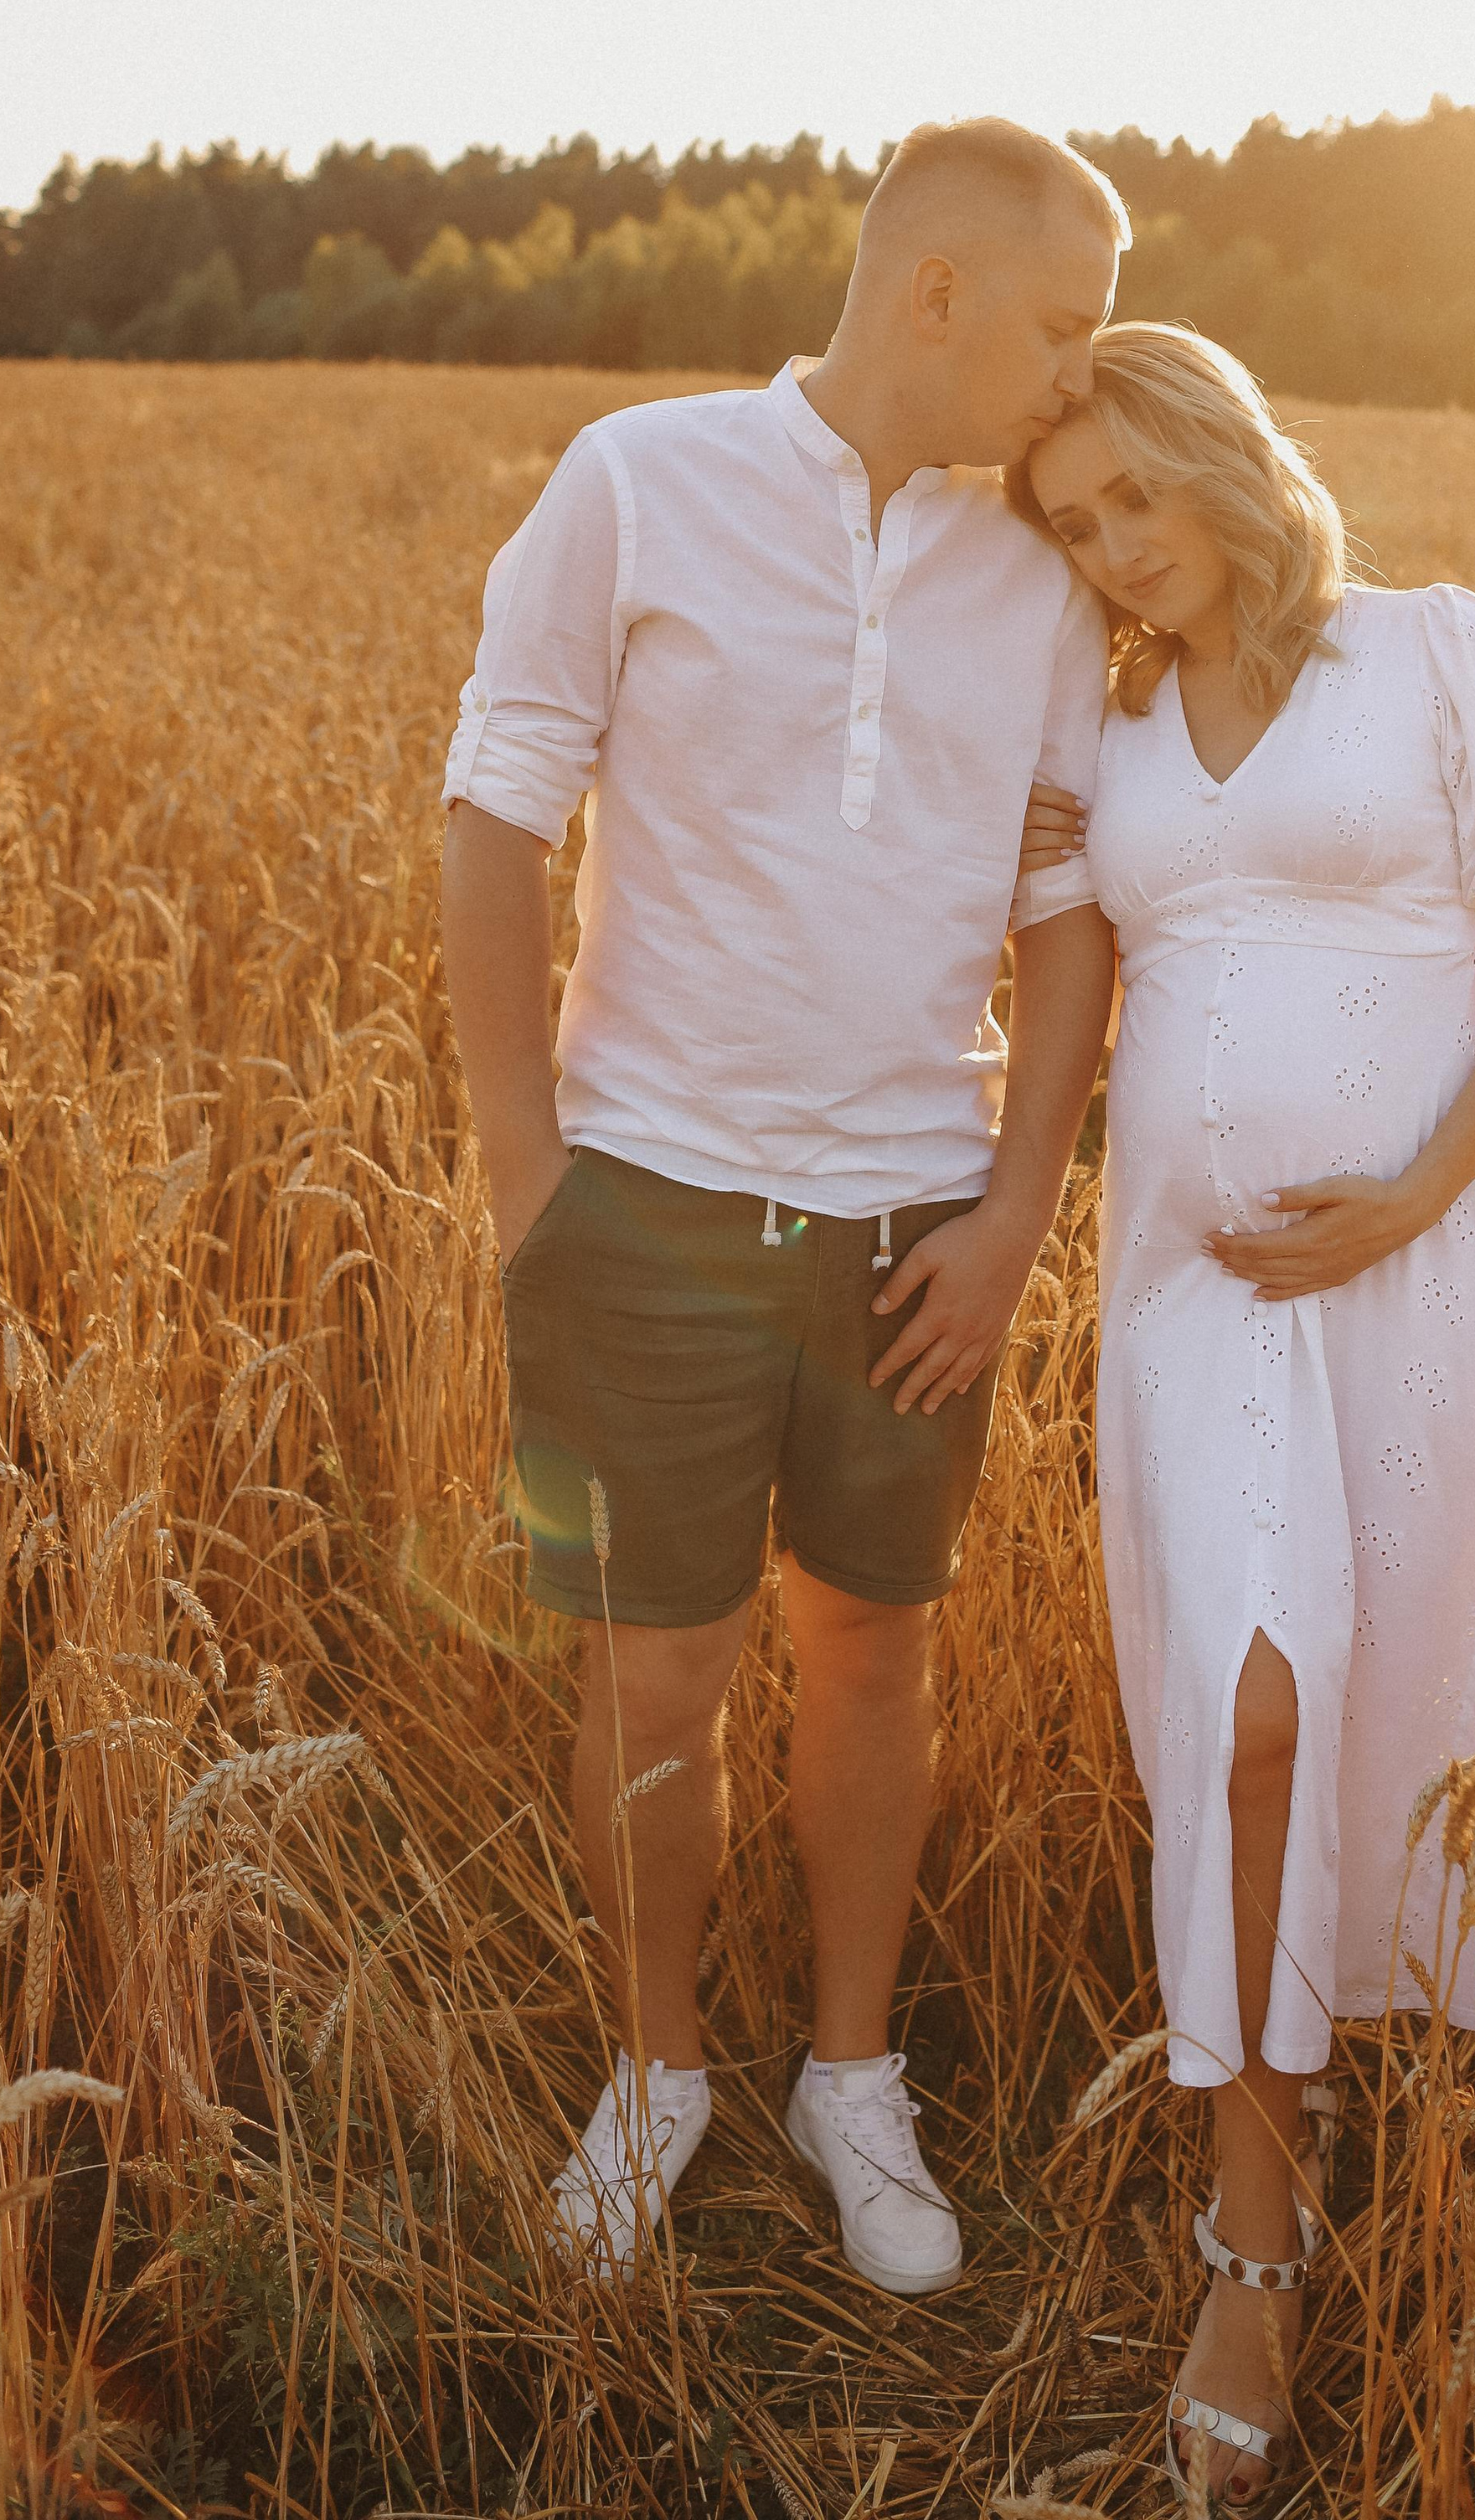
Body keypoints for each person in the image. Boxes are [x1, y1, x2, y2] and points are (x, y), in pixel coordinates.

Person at [441, 118, 1121, 2296]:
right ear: (932, 289)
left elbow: (1065, 913)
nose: (1076, 374)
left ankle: (847, 2078)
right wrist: (531, 1177)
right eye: (1058, 322)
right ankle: (655, 2077)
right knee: (657, 1686)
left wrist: (1020, 1213)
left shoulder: (1043, 566)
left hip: (911, 1218)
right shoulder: (636, 480)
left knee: (877, 1652)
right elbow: (493, 814)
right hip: (642, 1201)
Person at [1013, 325, 1475, 2510]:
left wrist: (1411, 1198)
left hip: (1429, 1270)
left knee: (1388, 1726)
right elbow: (1056, 973)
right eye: (1077, 529)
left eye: (1132, 502)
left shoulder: (1440, 656)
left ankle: (1349, 2096)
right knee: (1248, 1713)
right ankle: (1248, 2245)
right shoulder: (1105, 712)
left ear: (1222, 459)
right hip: (1195, 1294)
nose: (1116, 553)